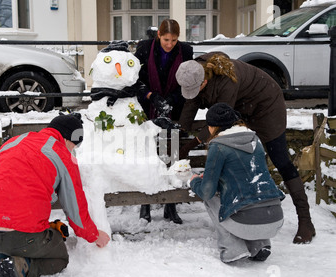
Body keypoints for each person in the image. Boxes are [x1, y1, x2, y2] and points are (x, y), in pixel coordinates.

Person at [176, 52, 316, 244]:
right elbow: (191, 103)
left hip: (266, 106)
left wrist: (190, 145)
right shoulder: (195, 71)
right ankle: (247, 209)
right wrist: (179, 130)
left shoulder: (226, 83)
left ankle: (306, 221)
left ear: (204, 82)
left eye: (196, 88)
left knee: (281, 160)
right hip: (242, 108)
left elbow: (217, 123)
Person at [0, 114, 110, 277]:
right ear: (68, 139)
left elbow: (2, 183)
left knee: (13, 233)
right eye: (75, 146)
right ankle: (21, 266)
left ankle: (5, 255)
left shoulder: (13, 142)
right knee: (59, 258)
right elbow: (75, 208)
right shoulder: (63, 155)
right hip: (21, 237)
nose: (73, 151)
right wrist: (94, 235)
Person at [189, 103, 285, 263]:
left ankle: (232, 249)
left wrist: (194, 182)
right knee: (251, 195)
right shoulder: (255, 139)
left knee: (210, 198)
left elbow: (207, 191)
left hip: (246, 223)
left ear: (214, 127)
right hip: (275, 218)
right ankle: (260, 245)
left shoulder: (218, 146)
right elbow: (248, 175)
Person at [134, 19, 193, 224]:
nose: (170, 44)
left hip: (174, 108)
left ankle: (171, 205)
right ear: (158, 34)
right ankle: (146, 203)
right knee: (149, 153)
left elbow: (186, 80)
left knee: (172, 153)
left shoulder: (185, 51)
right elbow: (135, 79)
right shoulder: (144, 48)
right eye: (166, 39)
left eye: (174, 40)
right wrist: (152, 96)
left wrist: (171, 99)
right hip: (148, 107)